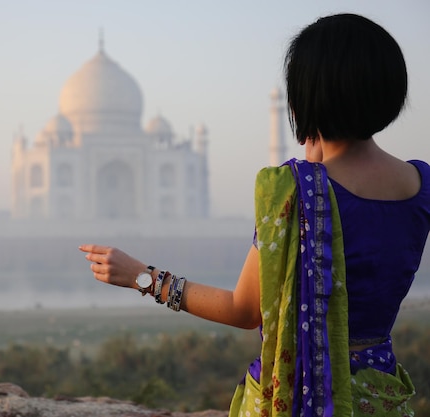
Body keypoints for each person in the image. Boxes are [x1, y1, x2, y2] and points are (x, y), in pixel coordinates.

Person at [80, 13, 430, 417]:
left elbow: (244, 311)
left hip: (295, 400)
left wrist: (144, 278)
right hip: (379, 395)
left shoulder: (293, 190)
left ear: (304, 98)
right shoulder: (419, 183)